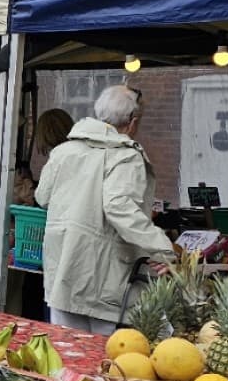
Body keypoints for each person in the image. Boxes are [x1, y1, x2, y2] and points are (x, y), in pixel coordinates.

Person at [34, 85, 174, 334]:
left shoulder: (63, 152)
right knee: (103, 358)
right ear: (132, 122)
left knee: (67, 351)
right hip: (103, 277)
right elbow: (119, 207)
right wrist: (162, 248)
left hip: (63, 269)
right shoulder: (125, 157)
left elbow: (42, 197)